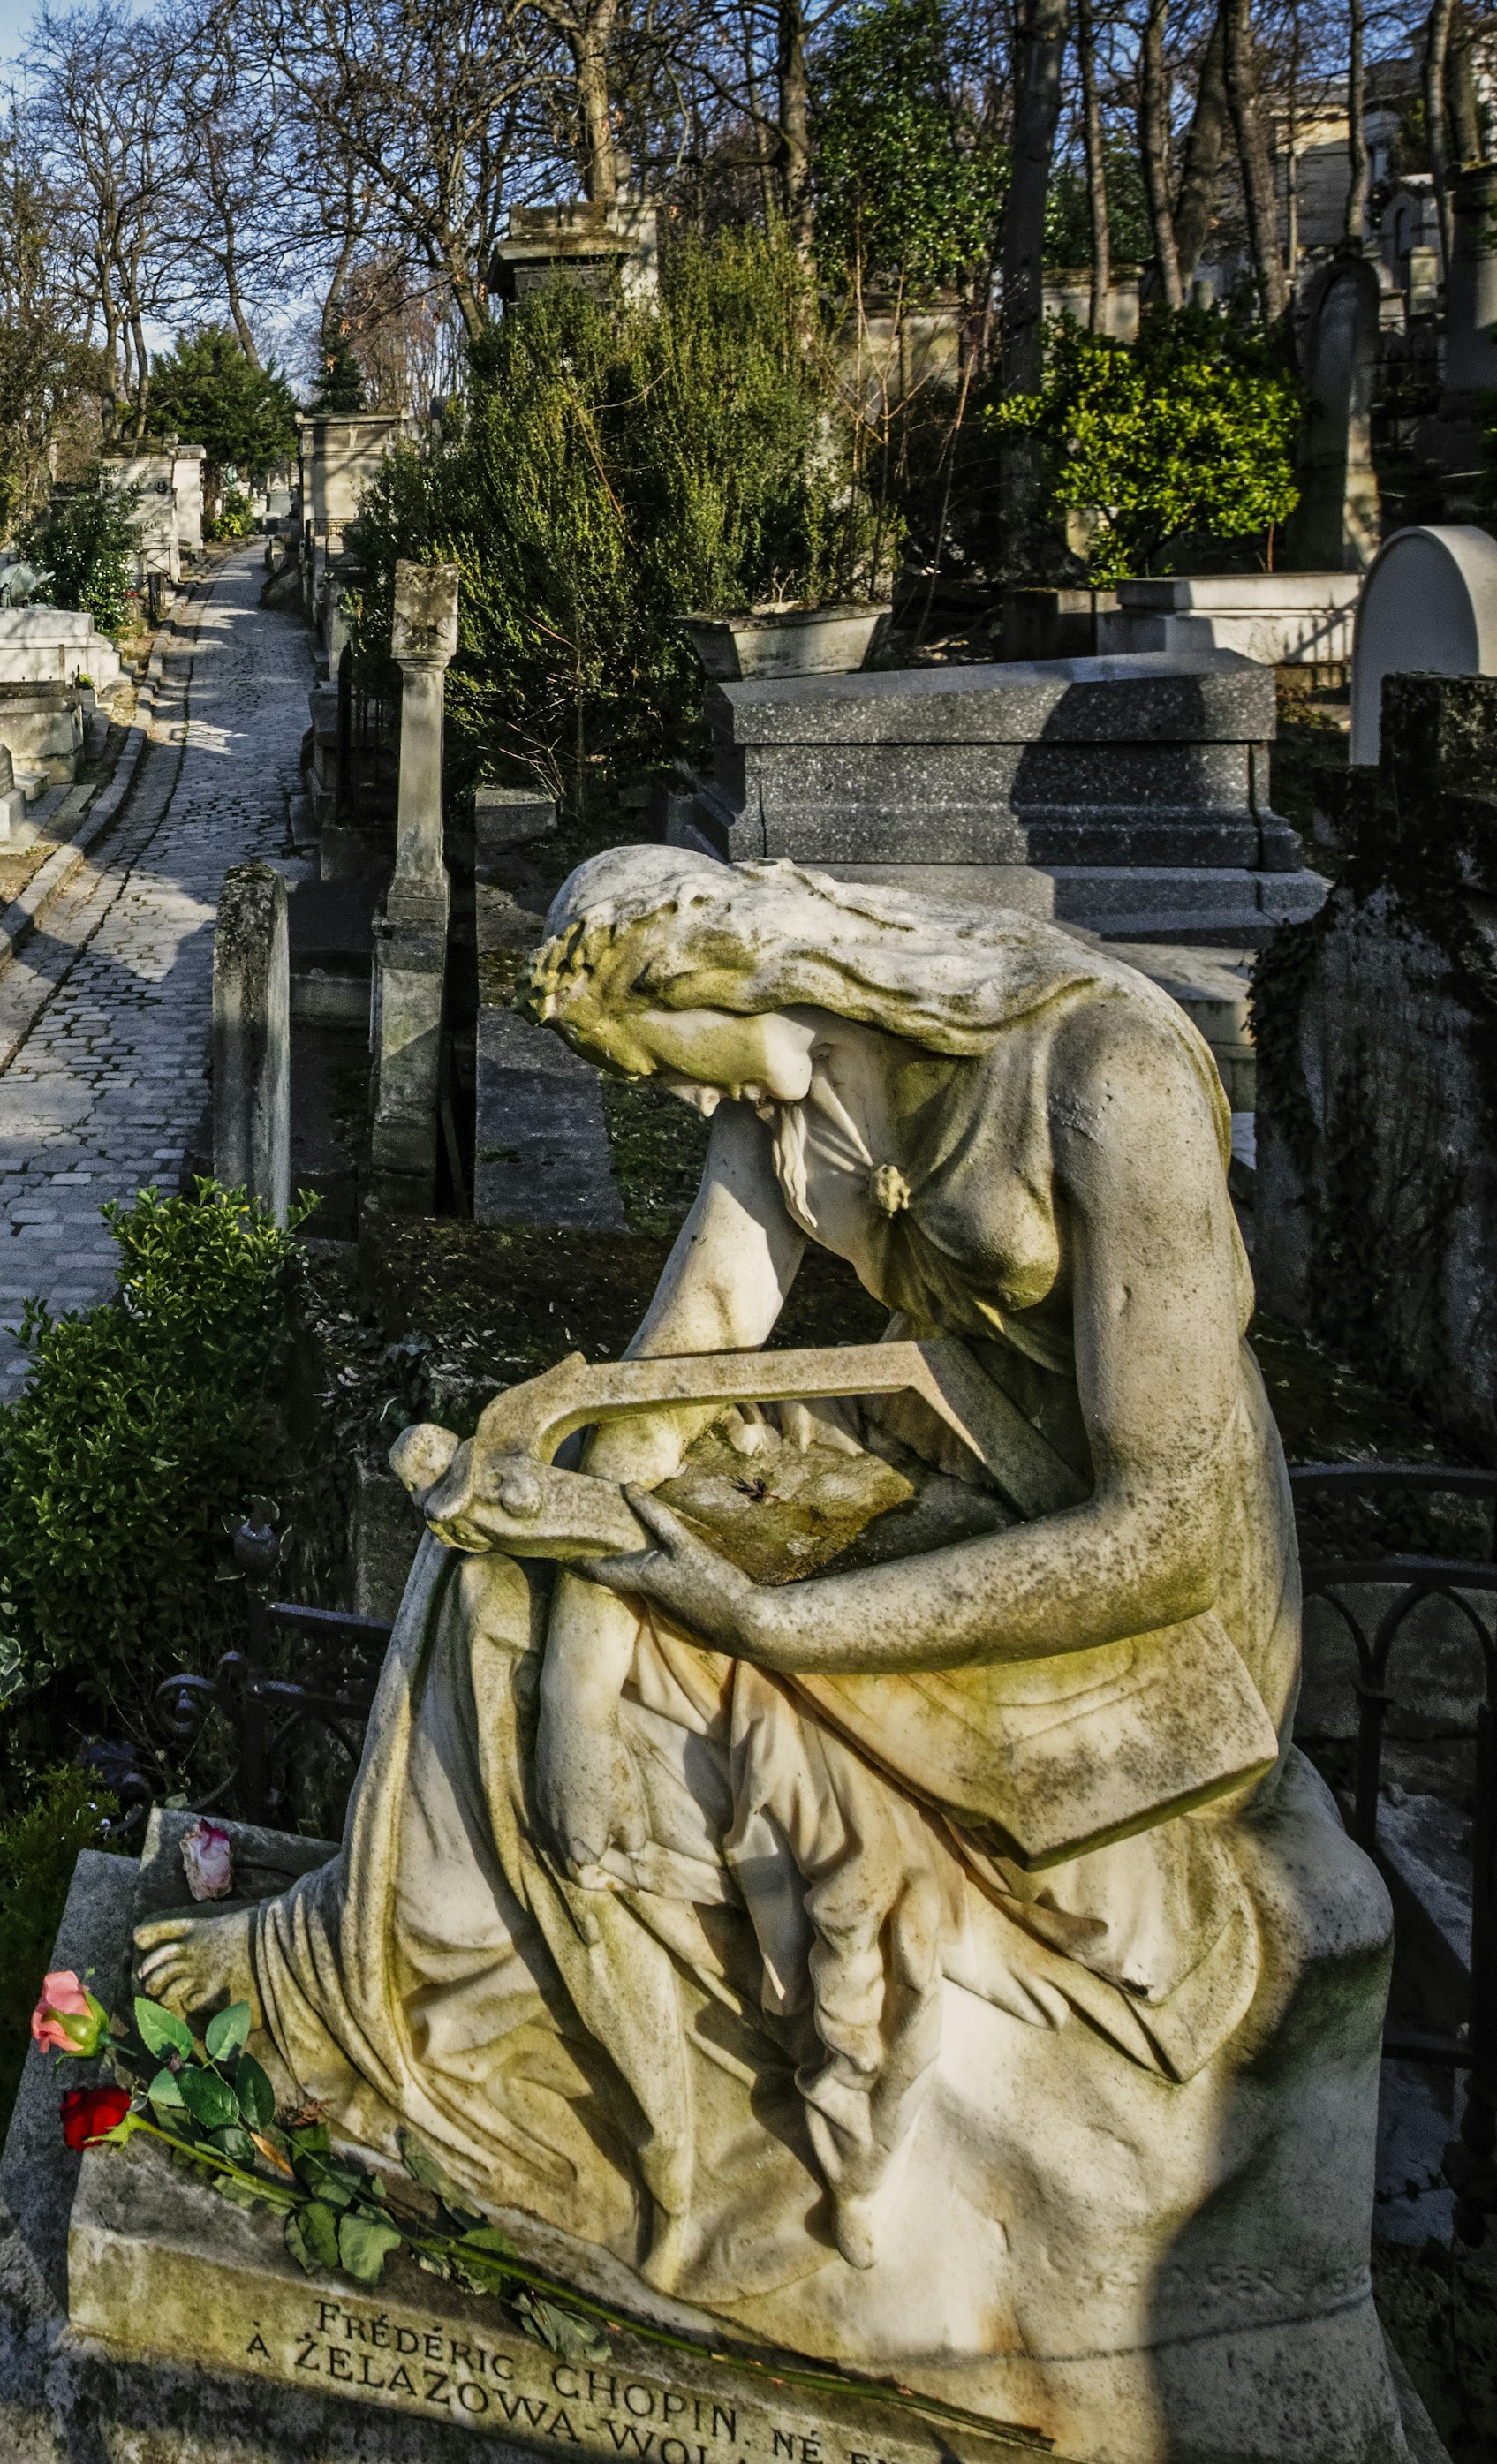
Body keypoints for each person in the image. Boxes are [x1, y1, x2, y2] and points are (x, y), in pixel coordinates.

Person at [131, 845, 1392, 2454]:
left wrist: (783, 1622)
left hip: (1137, 1609)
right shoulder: (782, 1098)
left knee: (701, 1643)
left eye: (652, 1065)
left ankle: (695, 2137)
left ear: (723, 980)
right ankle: (371, 1981)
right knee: (502, 1565)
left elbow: (1162, 1531)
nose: (663, 1104)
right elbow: (686, 1358)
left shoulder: (1105, 1070)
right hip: (953, 1478)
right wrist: (557, 1543)